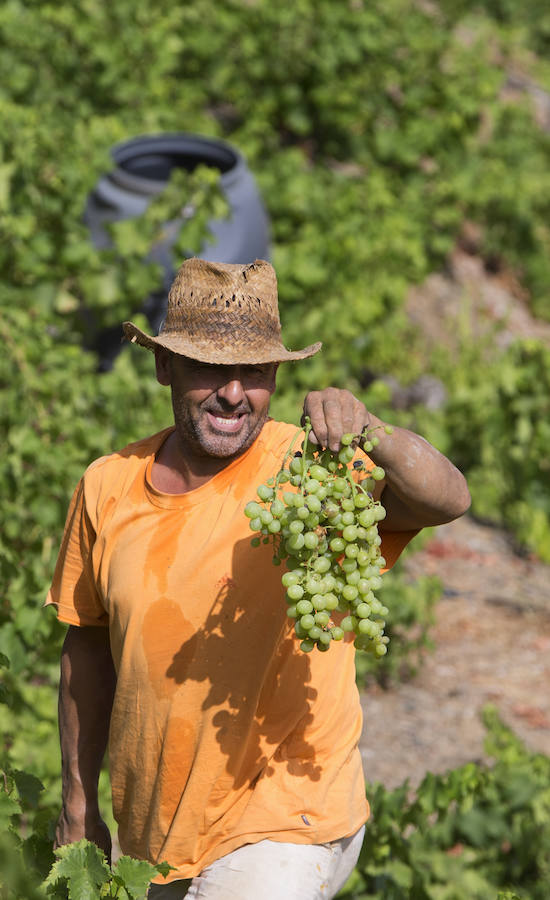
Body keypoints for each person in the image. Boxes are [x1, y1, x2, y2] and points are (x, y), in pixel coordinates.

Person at [47, 258, 470, 899]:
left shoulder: (311, 471)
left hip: (286, 817)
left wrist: (372, 431)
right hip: (155, 837)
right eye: (210, 369)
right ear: (164, 366)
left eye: (256, 372)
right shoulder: (108, 484)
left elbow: (447, 498)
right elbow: (85, 649)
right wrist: (78, 804)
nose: (234, 393)